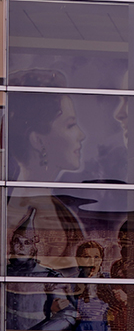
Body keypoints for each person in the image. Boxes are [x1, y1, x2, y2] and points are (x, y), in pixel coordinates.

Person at [7, 76, 89, 276]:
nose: (81, 135)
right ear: (37, 140)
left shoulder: (55, 206)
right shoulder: (18, 209)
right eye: (70, 125)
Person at [6, 211, 76, 331]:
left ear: (33, 247)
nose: (21, 247)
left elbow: (67, 315)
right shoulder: (4, 274)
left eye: (27, 243)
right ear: (12, 245)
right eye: (17, 241)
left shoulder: (49, 277)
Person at [70, 241, 117, 331]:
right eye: (86, 257)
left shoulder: (110, 281)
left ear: (101, 260)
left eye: (96, 257)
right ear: (78, 260)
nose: (92, 261)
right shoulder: (71, 282)